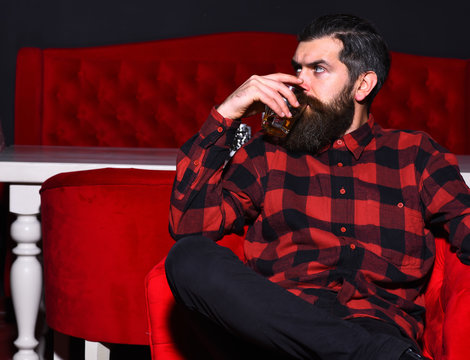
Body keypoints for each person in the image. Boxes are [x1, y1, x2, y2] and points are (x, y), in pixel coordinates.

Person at [164, 14, 470, 360]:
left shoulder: (414, 154)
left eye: (318, 69)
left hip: (371, 322)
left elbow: (466, 221)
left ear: (363, 85)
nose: (299, 82)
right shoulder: (268, 152)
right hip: (277, 330)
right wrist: (227, 113)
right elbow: (188, 224)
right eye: (298, 69)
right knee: (189, 258)